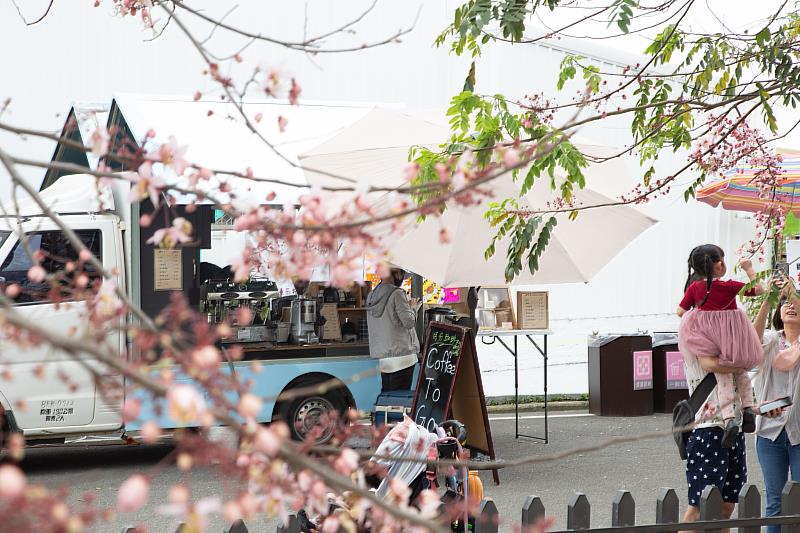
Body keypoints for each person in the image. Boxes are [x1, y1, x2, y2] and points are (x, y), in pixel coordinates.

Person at [677, 244, 764, 447]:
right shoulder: (729, 286)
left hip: (710, 341)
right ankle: (748, 408)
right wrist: (748, 268)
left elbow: (680, 312)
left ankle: (729, 419)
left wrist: (699, 318)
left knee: (723, 377)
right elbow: (759, 289)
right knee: (741, 372)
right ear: (719, 266)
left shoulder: (694, 289)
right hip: (734, 338)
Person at [752, 276, 800, 533]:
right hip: (770, 433)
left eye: (795, 303)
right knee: (775, 502)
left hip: (799, 431)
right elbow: (749, 344)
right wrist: (766, 300)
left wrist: (792, 290)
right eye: (785, 304)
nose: (790, 306)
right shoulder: (770, 341)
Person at [366, 266, 421, 392]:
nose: (402, 278)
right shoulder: (397, 293)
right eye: (402, 274)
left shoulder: (371, 296)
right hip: (402, 356)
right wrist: (412, 308)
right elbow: (408, 322)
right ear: (396, 273)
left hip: (384, 359)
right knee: (399, 402)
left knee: (388, 400)